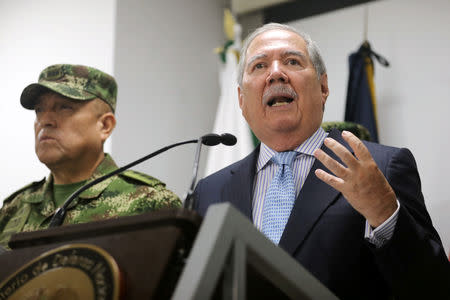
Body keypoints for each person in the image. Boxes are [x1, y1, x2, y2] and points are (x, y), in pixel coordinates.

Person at [194, 23, 450, 299]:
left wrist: (385, 214)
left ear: (323, 86)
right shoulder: (209, 192)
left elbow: (435, 289)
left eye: (292, 61)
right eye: (259, 66)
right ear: (242, 100)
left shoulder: (382, 167)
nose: (276, 73)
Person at [0, 64, 181, 249]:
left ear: (105, 126)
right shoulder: (14, 207)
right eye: (39, 110)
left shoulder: (149, 203)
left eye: (64, 107)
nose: (45, 120)